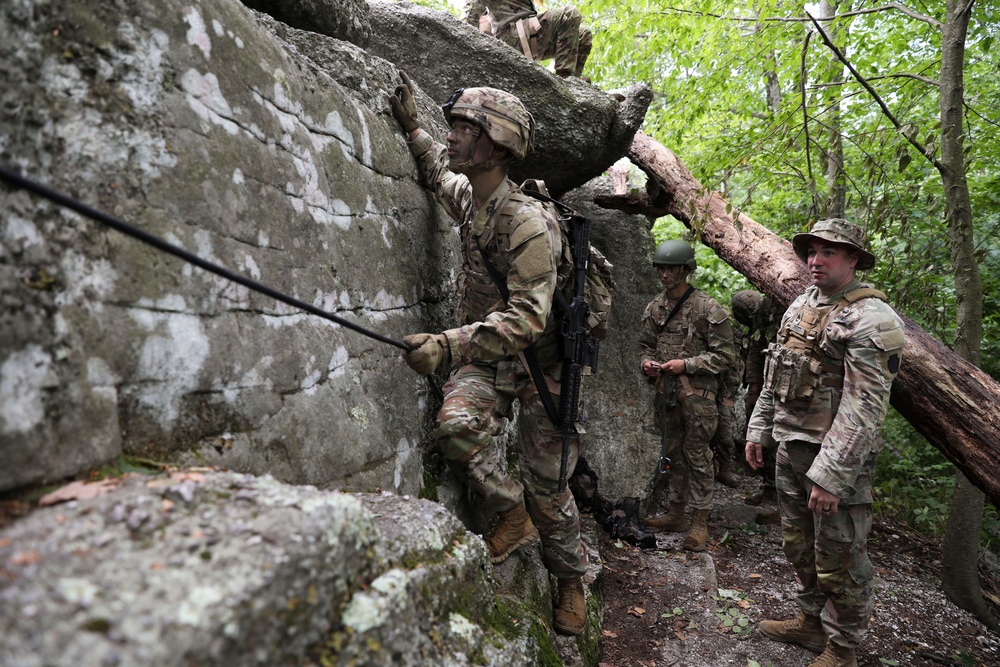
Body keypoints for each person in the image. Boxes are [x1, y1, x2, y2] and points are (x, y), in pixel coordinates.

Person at [386, 74, 589, 635]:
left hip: (541, 366)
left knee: (549, 483)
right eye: (451, 126)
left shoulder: (524, 222)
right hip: (488, 353)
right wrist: (413, 129)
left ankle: (572, 579)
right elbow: (438, 178)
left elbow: (529, 317)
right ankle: (509, 511)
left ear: (497, 145)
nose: (452, 137)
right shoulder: (474, 201)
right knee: (454, 429)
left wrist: (450, 345)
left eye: (463, 128)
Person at [745, 219, 906, 667]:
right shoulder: (799, 306)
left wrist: (832, 476)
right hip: (790, 448)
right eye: (811, 251)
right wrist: (758, 429)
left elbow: (865, 408)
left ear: (853, 259)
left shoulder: (874, 318)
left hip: (835, 461)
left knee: (840, 557)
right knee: (798, 544)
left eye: (828, 253)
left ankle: (843, 648)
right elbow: (775, 374)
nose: (815, 260)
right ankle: (811, 623)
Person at [638, 240, 736, 552]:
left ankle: (700, 521)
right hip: (666, 393)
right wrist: (646, 363)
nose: (665, 274)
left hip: (699, 398)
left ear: (685, 270)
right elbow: (645, 345)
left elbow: (727, 356)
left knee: (698, 456)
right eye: (661, 268)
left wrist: (688, 364)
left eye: (672, 268)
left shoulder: (708, 309)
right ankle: (676, 513)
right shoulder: (655, 308)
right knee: (672, 453)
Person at [731, 289, 783, 525]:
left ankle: (786, 501)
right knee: (766, 440)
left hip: (789, 389)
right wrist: (753, 389)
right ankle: (771, 490)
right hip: (767, 388)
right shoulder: (765, 312)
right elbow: (755, 352)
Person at [462, 0, 592, 79]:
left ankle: (572, 83)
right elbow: (471, 12)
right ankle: (565, 77)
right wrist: (462, 39)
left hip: (529, 34)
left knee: (583, 35)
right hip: (512, 37)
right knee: (569, 13)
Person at [711, 314, 742, 488]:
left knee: (726, 435)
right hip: (708, 391)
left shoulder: (736, 346)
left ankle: (724, 469)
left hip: (726, 396)